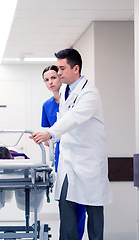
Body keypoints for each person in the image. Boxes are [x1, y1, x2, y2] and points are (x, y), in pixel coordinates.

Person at [30, 48, 113, 240]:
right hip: (68, 160)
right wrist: (49, 138)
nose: (58, 73)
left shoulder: (90, 93)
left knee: (93, 210)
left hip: (88, 161)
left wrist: (50, 133)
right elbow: (63, 121)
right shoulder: (66, 92)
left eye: (62, 68)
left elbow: (75, 118)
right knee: (66, 205)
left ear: (75, 68)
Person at [41, 65, 87, 240]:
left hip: (79, 155)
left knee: (80, 203)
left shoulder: (75, 100)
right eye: (46, 79)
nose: (51, 82)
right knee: (65, 203)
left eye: (53, 77)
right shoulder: (47, 105)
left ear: (61, 77)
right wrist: (49, 138)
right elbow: (47, 133)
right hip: (61, 158)